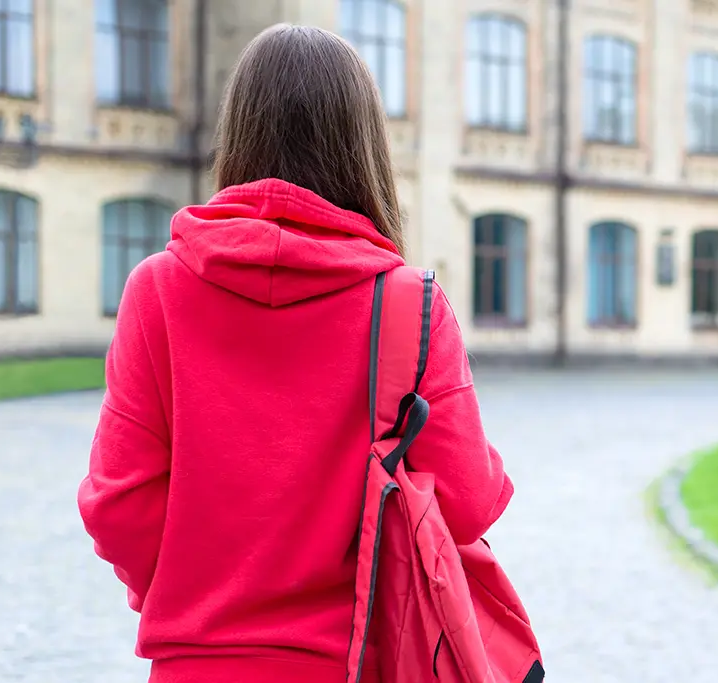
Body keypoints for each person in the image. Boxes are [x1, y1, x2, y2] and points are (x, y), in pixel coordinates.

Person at [77, 24, 513, 683]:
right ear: (365, 146)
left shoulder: (156, 291)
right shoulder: (409, 304)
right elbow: (469, 500)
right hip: (354, 660)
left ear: (240, 133)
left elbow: (118, 503)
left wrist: (185, 599)